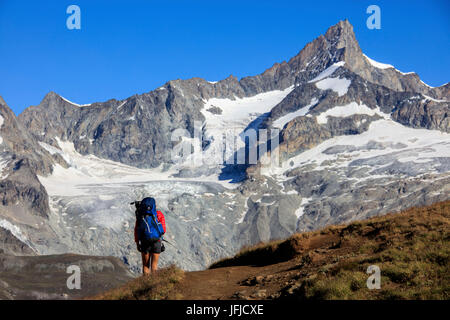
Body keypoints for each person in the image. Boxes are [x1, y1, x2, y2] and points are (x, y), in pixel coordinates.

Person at [134, 197, 166, 275]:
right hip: (156, 241)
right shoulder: (158, 214)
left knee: (145, 266)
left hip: (145, 241)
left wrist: (138, 243)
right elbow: (163, 230)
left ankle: (145, 284)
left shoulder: (140, 216)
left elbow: (136, 231)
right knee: (154, 266)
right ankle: (153, 285)